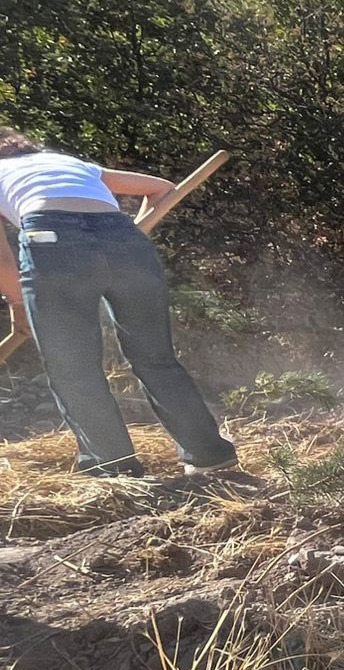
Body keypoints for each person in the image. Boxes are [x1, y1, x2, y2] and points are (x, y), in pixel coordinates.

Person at [0, 129, 238, 477]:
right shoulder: (68, 163)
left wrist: (20, 304)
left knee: (73, 368)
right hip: (124, 237)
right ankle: (210, 456)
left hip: (51, 241)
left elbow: (4, 263)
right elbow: (161, 188)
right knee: (156, 358)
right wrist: (119, 240)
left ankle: (114, 467)